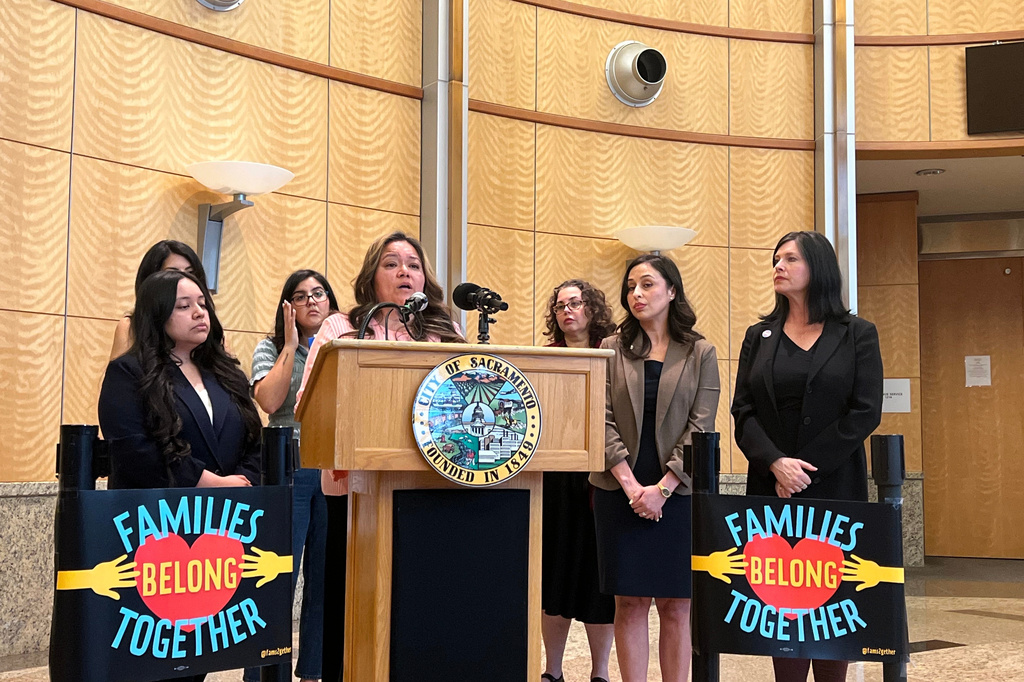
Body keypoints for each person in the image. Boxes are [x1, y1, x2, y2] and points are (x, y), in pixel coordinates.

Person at [295, 232, 463, 681]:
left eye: (413, 264)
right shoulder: (340, 327)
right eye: (391, 263)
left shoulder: (445, 331)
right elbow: (311, 402)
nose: (404, 271)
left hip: (432, 486)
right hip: (355, 490)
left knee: (420, 604)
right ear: (372, 276)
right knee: (351, 603)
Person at [732, 230, 883, 682]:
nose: (778, 267)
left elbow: (865, 411)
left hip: (835, 486)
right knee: (782, 606)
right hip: (771, 489)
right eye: (776, 260)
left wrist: (803, 471)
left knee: (832, 604)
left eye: (790, 259)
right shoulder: (759, 336)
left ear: (818, 267)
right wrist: (777, 464)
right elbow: (743, 411)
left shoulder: (857, 334)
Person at [97, 269, 261, 682]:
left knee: (197, 652)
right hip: (156, 534)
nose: (199, 313)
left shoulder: (226, 372)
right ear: (157, 314)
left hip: (222, 532)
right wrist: (208, 482)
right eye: (184, 306)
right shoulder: (129, 372)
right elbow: (133, 449)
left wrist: (242, 481)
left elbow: (254, 442)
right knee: (156, 655)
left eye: (202, 304)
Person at [590, 254, 720, 682]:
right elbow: (599, 418)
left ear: (672, 290)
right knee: (629, 602)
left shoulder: (700, 352)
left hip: (679, 493)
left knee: (677, 605)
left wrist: (662, 489)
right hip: (619, 489)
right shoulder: (611, 348)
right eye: (631, 287)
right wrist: (632, 487)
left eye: (647, 284)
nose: (636, 294)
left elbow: (701, 426)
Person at [243, 270, 340, 682]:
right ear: (288, 307)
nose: (312, 301)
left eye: (319, 293)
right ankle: (262, 672)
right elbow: (268, 401)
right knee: (276, 573)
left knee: (326, 576)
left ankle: (315, 669)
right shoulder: (270, 348)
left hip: (335, 469)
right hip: (289, 467)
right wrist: (290, 345)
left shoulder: (343, 346)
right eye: (300, 297)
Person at [540, 279, 617, 682]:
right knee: (555, 578)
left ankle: (600, 672)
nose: (566, 311)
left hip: (604, 478)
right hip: (556, 481)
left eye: (575, 303)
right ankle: (552, 670)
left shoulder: (615, 354)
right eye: (560, 306)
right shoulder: (544, 357)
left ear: (592, 308)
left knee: (597, 583)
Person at [110, 240, 208, 361]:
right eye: (173, 273)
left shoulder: (209, 329)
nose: (184, 279)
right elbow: (118, 370)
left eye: (191, 273)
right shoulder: (130, 327)